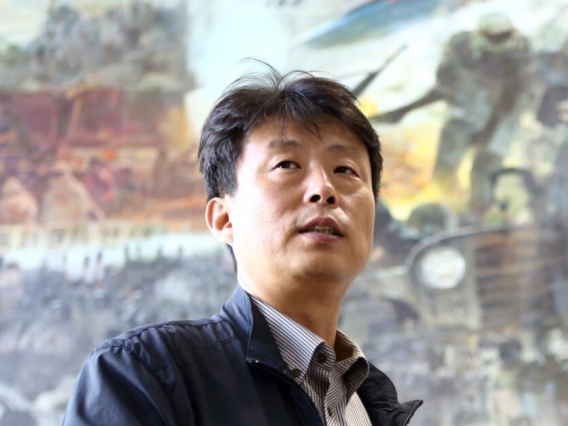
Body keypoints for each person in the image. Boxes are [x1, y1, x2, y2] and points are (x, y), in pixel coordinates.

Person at [62, 65, 423, 425]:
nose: (323, 189)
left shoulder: (371, 406)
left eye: (345, 170)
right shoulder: (144, 374)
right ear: (224, 219)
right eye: (287, 164)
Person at [372, 13, 532, 219]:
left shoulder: (520, 52)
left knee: (484, 177)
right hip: (462, 116)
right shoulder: (460, 47)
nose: (497, 43)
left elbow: (511, 95)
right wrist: (402, 111)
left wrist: (489, 132)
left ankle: (478, 218)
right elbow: (444, 89)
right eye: (492, 38)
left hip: (502, 124)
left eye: (502, 37)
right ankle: (448, 214)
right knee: (443, 172)